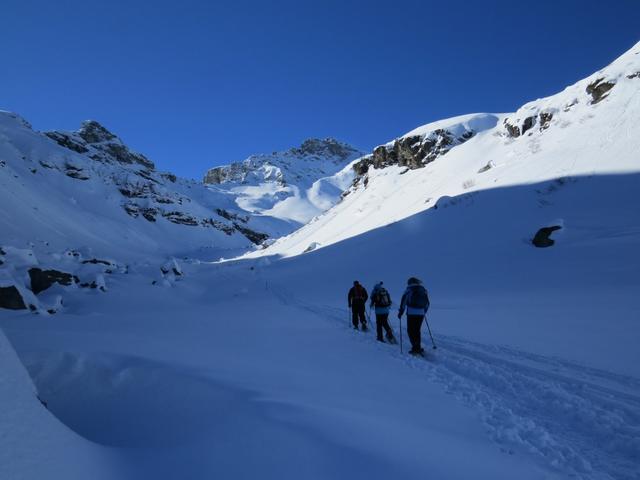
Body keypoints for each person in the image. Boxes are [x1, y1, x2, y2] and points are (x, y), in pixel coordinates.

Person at [398, 277, 430, 355]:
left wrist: (401, 313)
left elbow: (403, 303)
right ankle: (417, 347)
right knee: (417, 330)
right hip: (421, 313)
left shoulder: (408, 290)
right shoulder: (423, 290)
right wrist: (423, 311)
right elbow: (427, 304)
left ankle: (415, 348)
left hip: (411, 313)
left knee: (410, 330)